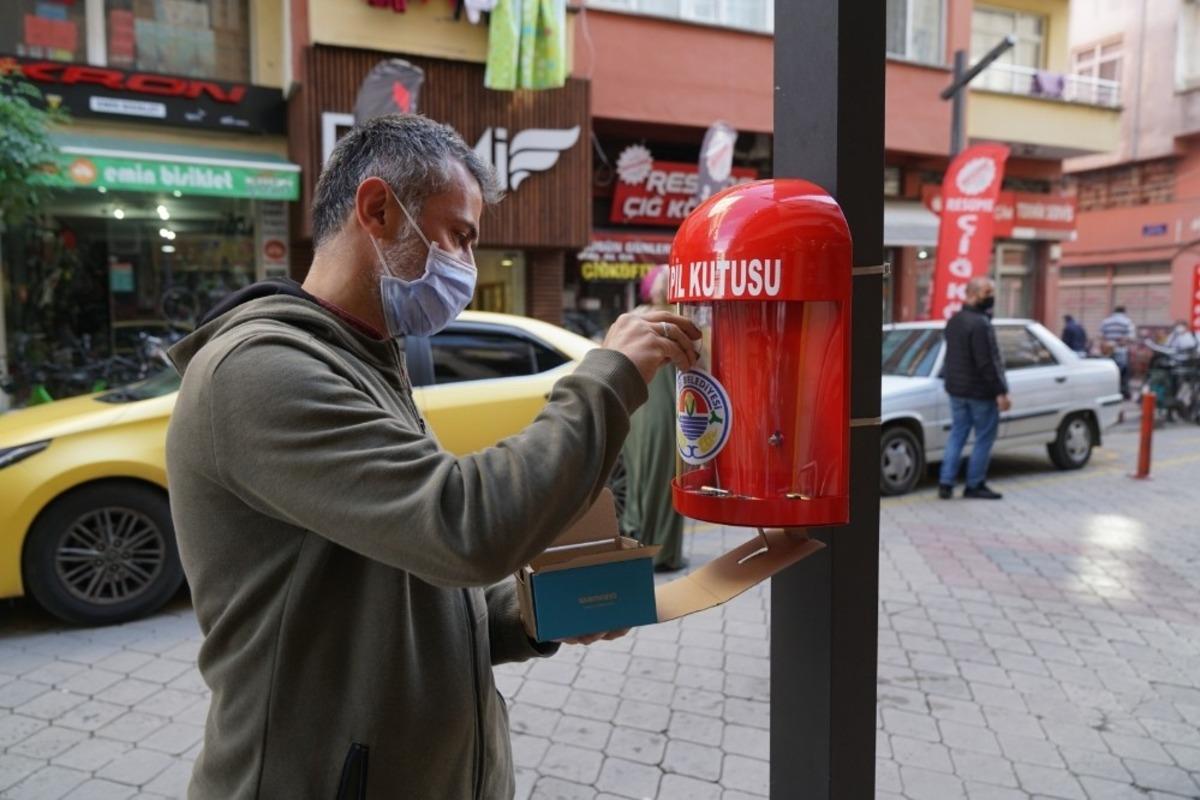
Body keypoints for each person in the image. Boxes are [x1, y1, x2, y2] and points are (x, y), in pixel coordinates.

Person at [164, 115, 701, 799]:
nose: (467, 267)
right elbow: (462, 528)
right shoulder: (259, 372)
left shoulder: (366, 358)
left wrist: (534, 612)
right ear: (378, 209)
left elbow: (409, 574)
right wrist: (609, 375)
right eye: (459, 236)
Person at [620, 265, 687, 572]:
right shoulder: (673, 322)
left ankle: (638, 542)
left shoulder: (634, 317)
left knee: (640, 475)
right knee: (664, 477)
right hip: (663, 410)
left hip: (637, 409)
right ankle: (662, 551)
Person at [938, 276, 1010, 500]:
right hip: (979, 392)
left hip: (956, 390)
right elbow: (987, 362)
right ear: (971, 294)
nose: (991, 298)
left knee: (957, 435)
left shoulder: (954, 320)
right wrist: (1000, 391)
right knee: (984, 437)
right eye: (987, 293)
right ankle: (975, 484)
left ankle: (945, 482)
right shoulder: (980, 324)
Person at [1100, 305, 1137, 398]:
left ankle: (1108, 392)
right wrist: (1122, 340)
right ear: (1124, 312)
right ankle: (1121, 393)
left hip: (1107, 351)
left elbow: (1101, 336)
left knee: (1109, 372)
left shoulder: (1106, 322)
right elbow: (1131, 337)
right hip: (1121, 351)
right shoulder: (1127, 322)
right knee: (1122, 373)